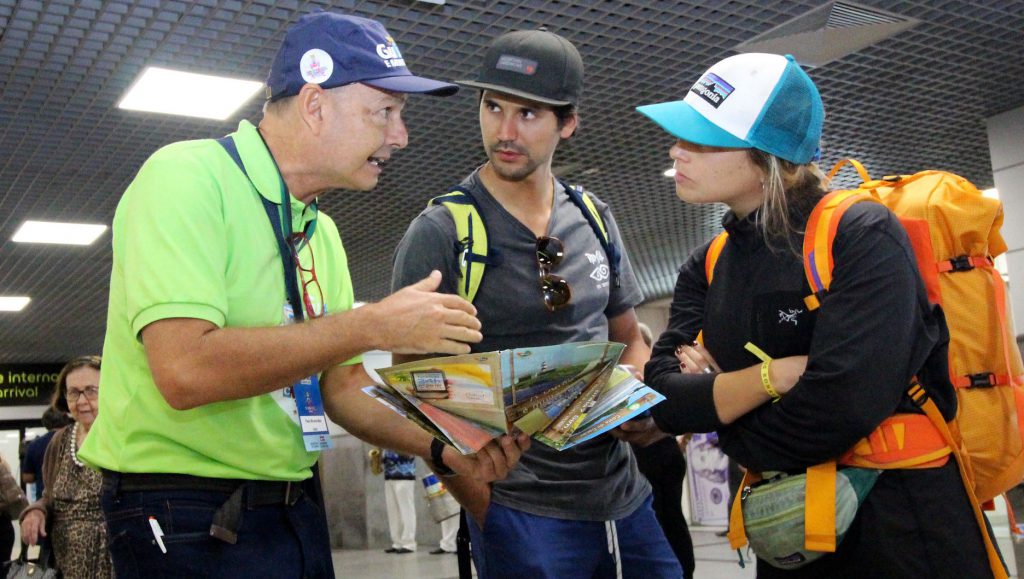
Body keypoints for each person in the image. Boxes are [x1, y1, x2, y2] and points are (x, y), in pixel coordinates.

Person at [77, 12, 528, 579]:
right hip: (182, 508)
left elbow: (341, 388)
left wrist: (446, 446)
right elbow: (185, 371)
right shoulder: (185, 178)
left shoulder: (321, 231)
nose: (400, 136)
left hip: (292, 505)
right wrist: (370, 327)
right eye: (385, 112)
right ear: (315, 106)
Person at [636, 52, 998, 577]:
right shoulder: (709, 263)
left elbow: (841, 407)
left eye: (703, 140)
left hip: (903, 530)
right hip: (789, 537)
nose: (677, 151)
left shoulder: (859, 236)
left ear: (767, 155)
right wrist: (772, 377)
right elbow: (666, 399)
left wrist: (722, 405)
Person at [392, 29, 681, 579]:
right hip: (522, 509)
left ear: (568, 123)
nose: (504, 131)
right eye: (493, 106)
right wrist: (481, 501)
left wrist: (636, 406)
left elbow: (628, 340)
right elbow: (414, 392)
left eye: (528, 114)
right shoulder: (442, 232)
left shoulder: (593, 215)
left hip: (623, 496)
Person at [20, 356, 111, 578]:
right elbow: (49, 496)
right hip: (64, 560)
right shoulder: (59, 441)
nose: (81, 401)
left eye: (91, 390)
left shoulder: (122, 437)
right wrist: (36, 511)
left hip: (113, 558)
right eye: (73, 392)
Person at [631, 323, 695, 577]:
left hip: (653, 456)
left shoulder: (645, 377)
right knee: (671, 517)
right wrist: (680, 441)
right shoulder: (659, 376)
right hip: (666, 454)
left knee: (663, 518)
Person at [21, 407, 72, 501]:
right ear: (66, 420)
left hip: (45, 500)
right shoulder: (75, 441)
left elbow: (27, 477)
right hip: (72, 500)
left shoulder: (35, 445)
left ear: (45, 423)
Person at [382, 450, 417, 554]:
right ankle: (397, 542)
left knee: (406, 510)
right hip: (389, 476)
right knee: (393, 511)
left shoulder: (405, 434)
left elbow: (409, 453)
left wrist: (389, 444)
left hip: (405, 475)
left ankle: (409, 543)